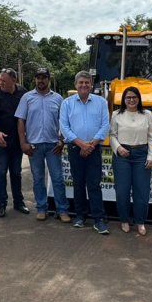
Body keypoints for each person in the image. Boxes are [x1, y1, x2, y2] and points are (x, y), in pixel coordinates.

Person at [59, 71, 111, 234]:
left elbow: (105, 125)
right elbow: (64, 127)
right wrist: (81, 144)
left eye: (87, 82)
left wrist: (91, 144)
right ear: (75, 84)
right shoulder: (67, 103)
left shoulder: (101, 102)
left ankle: (99, 219)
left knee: (94, 185)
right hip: (75, 148)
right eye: (81, 82)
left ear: (91, 84)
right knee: (78, 184)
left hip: (94, 149)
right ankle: (80, 216)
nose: (84, 85)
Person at [16, 67, 69, 223]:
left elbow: (64, 122)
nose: (41, 80)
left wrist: (62, 140)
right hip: (34, 146)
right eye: (38, 77)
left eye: (44, 77)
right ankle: (41, 208)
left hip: (53, 145)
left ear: (49, 80)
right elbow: (20, 121)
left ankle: (62, 210)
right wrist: (23, 143)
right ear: (35, 79)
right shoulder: (27, 97)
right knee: (38, 178)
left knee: (58, 178)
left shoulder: (58, 99)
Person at [109, 86, 152, 236]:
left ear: (139, 99)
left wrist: (151, 156)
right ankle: (124, 220)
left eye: (134, 97)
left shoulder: (147, 114)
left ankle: (140, 222)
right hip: (122, 155)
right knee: (122, 190)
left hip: (142, 154)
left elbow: (151, 137)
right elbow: (112, 135)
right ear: (123, 99)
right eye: (128, 97)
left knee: (141, 191)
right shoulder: (117, 114)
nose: (131, 100)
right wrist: (118, 148)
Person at [0, 67, 29, 217]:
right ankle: (2, 203)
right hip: (0, 141)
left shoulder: (23, 93)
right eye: (0, 80)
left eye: (4, 81)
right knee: (0, 173)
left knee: (16, 173)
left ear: (14, 81)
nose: (1, 83)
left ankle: (19, 202)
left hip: (17, 141)